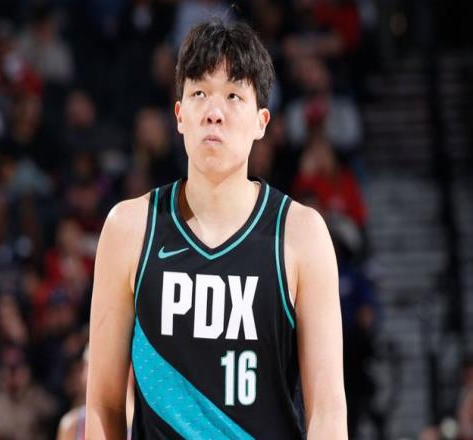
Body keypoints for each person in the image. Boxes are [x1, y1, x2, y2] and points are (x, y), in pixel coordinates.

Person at [86, 20, 347, 439]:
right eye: (199, 93)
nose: (214, 112)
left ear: (262, 121)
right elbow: (104, 404)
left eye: (233, 96)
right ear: (179, 115)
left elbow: (328, 412)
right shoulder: (129, 228)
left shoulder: (301, 235)